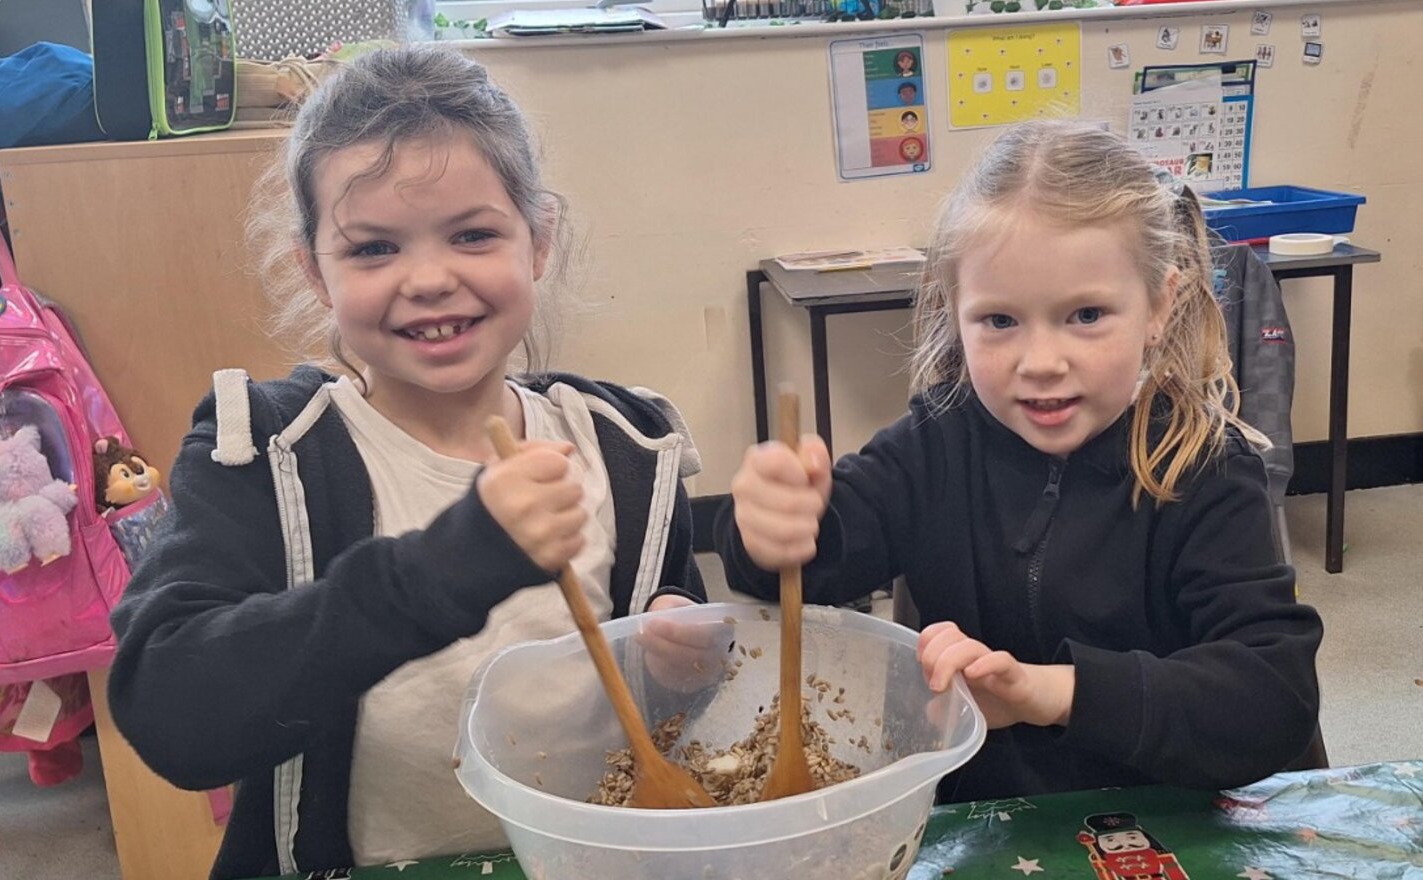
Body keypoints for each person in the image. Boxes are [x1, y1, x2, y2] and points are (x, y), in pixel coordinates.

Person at [109, 48, 708, 879]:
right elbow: (172, 715)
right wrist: (442, 569)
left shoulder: (623, 448)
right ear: (313, 271)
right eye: (374, 249)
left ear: (538, 240)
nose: (429, 279)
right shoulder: (267, 454)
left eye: (473, 235)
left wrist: (684, 660)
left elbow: (663, 688)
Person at [718, 120, 1322, 802]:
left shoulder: (1205, 467)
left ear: (1159, 305)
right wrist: (768, 528)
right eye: (1000, 321)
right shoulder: (933, 445)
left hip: (1162, 816)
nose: (1040, 363)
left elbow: (1273, 698)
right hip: (979, 820)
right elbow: (807, 564)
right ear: (956, 312)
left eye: (1086, 315)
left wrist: (1052, 692)